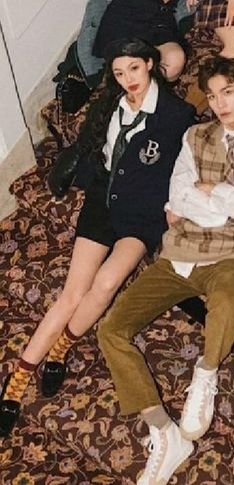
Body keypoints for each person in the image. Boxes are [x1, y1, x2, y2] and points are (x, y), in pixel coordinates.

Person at [97, 56, 234, 485]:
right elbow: (176, 199)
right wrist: (229, 203)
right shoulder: (194, 136)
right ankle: (164, 433)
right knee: (111, 330)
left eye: (228, 92)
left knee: (228, 301)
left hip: (232, 257)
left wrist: (212, 190)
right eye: (213, 95)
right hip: (179, 255)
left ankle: (205, 376)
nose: (220, 104)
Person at [0, 39, 194, 438]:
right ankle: (14, 386)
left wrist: (176, 205)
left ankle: (62, 348)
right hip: (104, 201)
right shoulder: (111, 103)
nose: (128, 81)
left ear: (151, 65)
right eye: (120, 73)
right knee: (73, 292)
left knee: (105, 285)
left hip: (141, 214)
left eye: (135, 70)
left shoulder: (177, 115)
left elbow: (185, 168)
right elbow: (98, 149)